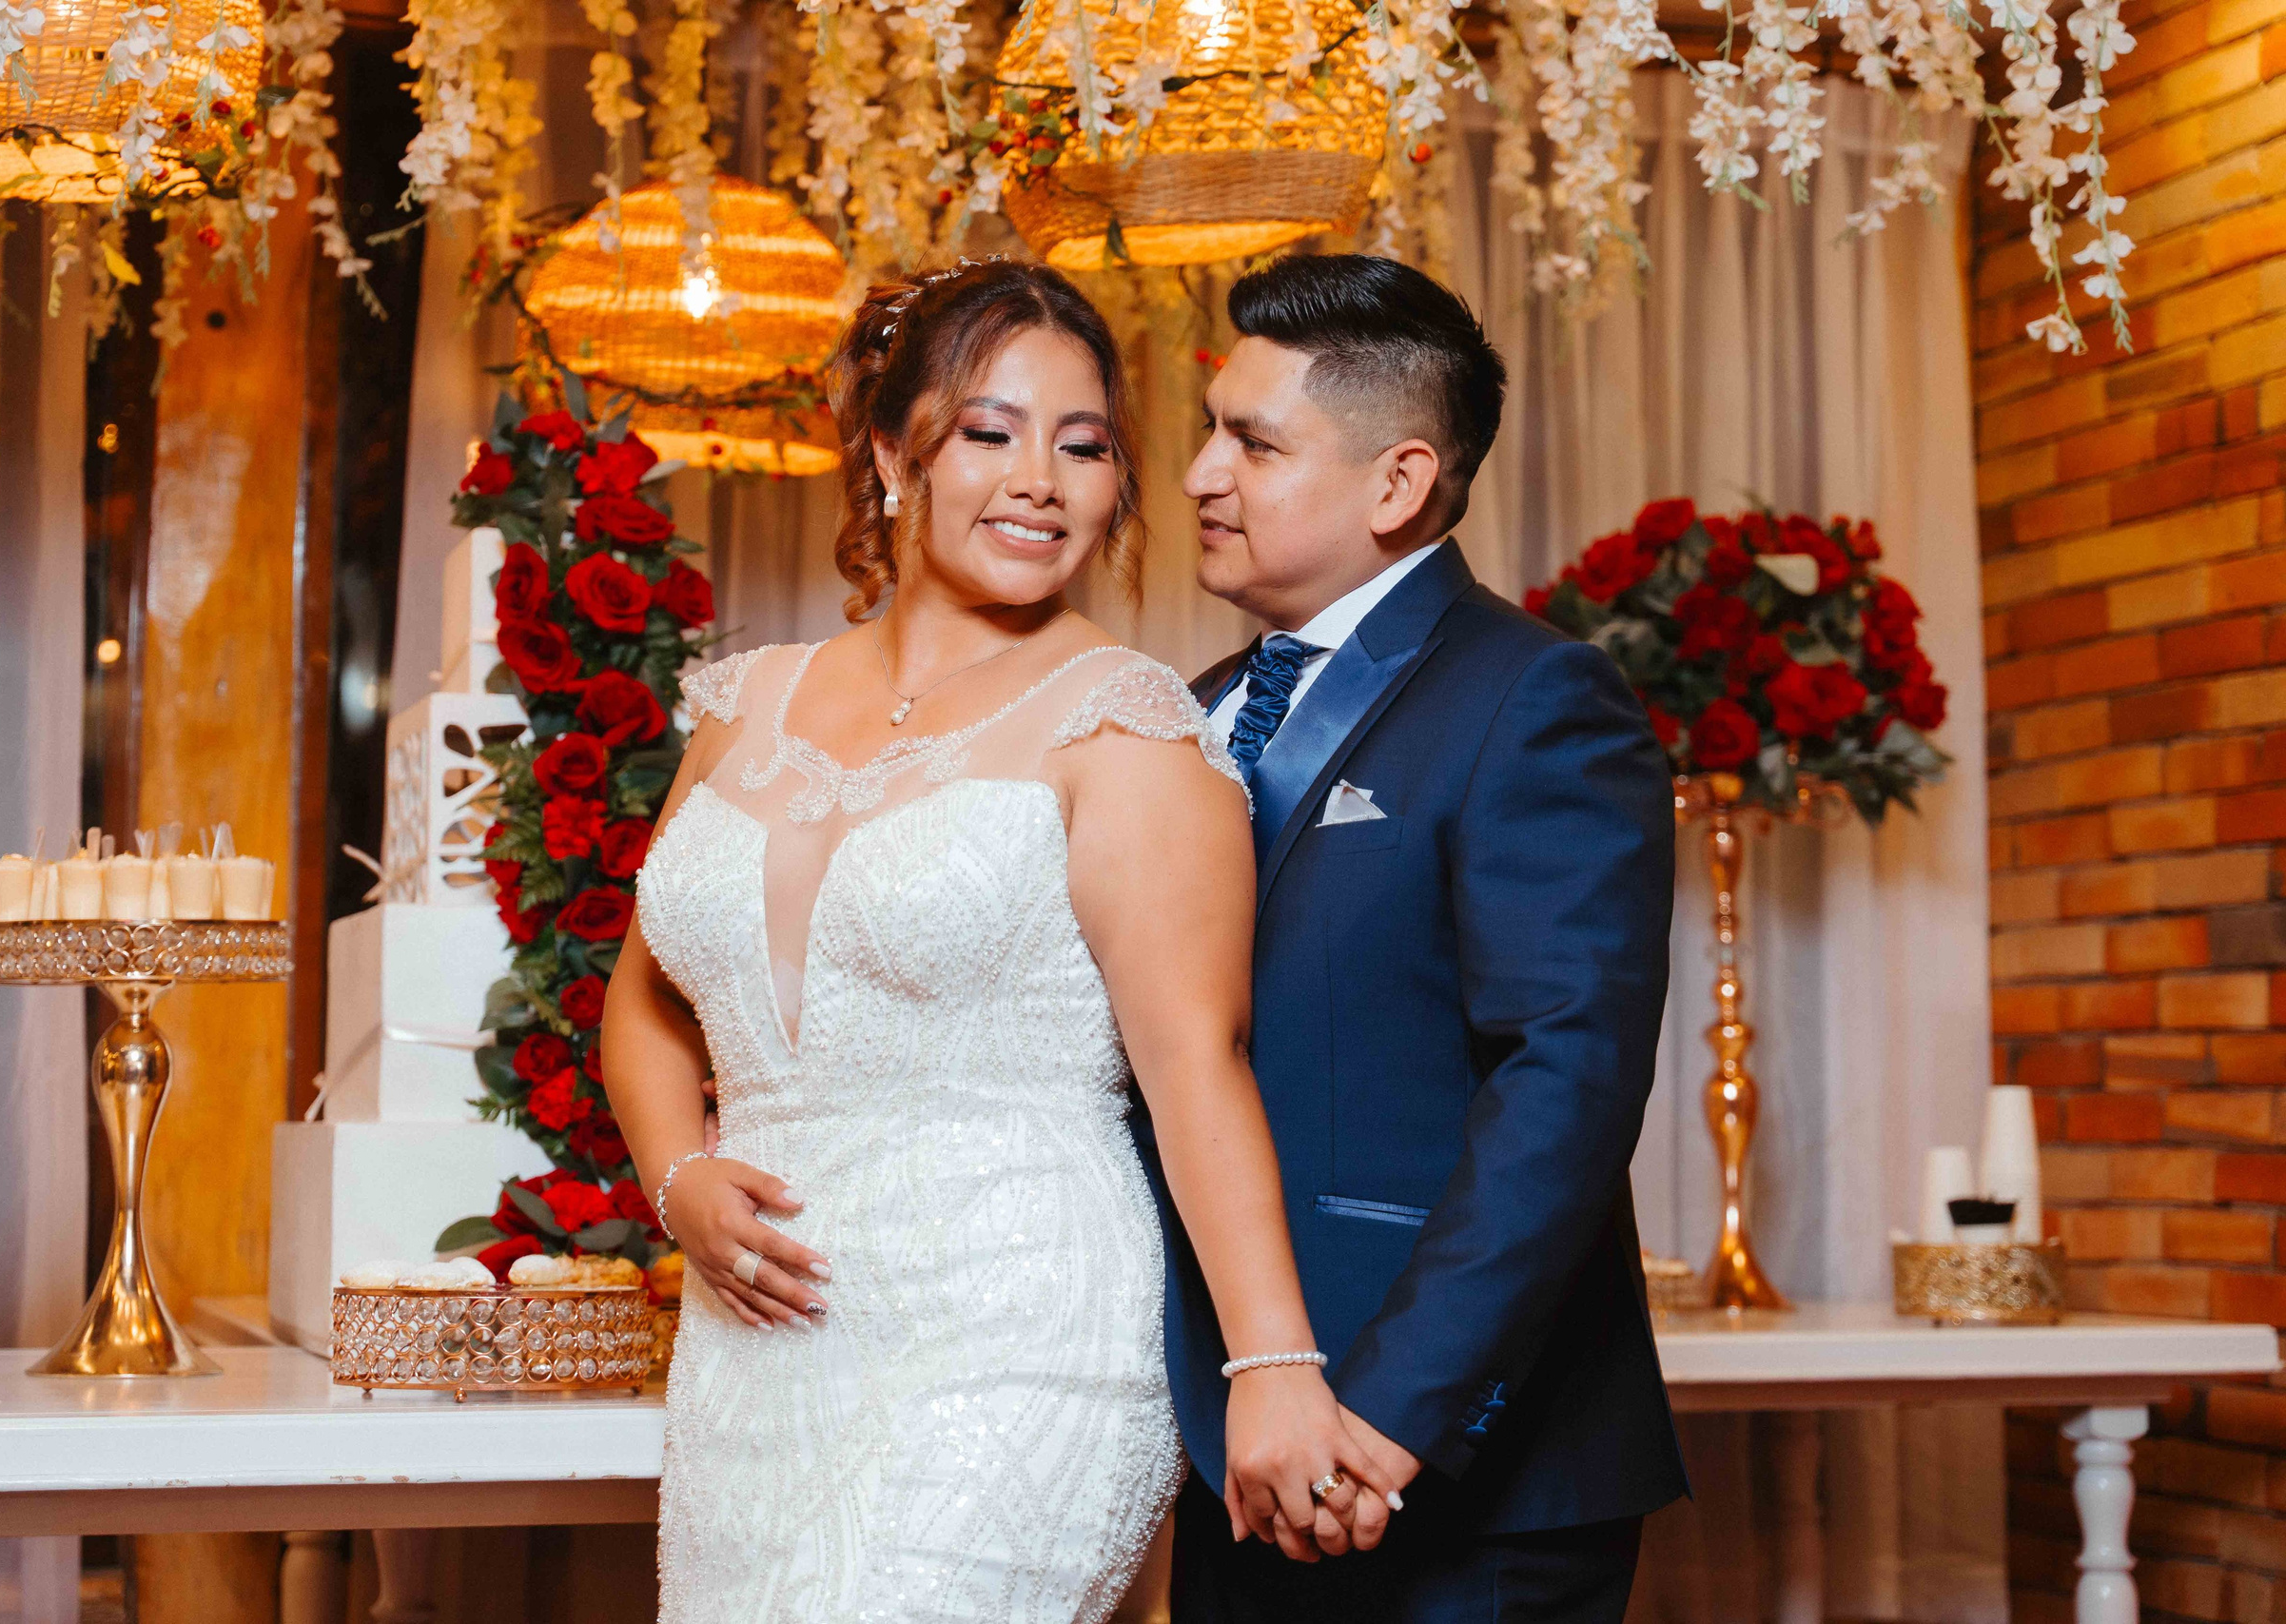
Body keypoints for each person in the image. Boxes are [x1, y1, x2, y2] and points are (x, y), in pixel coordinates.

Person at [601, 257, 1397, 1624]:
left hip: (1020, 1333)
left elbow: (1198, 1063)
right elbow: (646, 1006)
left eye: (1083, 446)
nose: (1042, 479)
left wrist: (1273, 1360)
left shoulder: (1127, 724)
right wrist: (677, 1184)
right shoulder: (746, 706)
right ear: (890, 455)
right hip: (758, 1348)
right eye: (990, 432)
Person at [1152, 253, 1689, 1622]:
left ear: (1397, 484)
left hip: (1452, 1473)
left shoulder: (1538, 698)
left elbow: (1563, 1084)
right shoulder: (1193, 710)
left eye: (1252, 442)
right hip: (1238, 1448)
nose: (1203, 475)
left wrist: (1383, 1424)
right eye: (1210, 430)